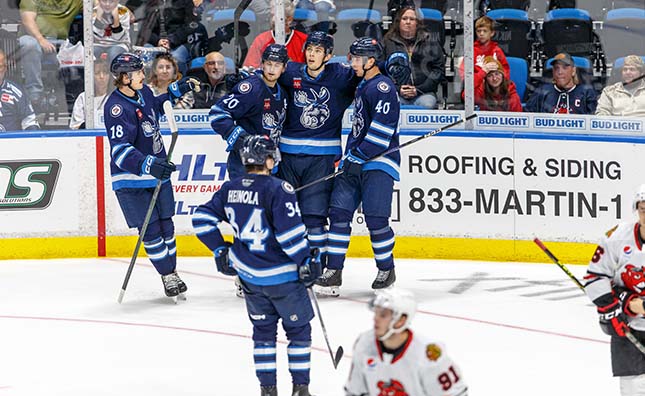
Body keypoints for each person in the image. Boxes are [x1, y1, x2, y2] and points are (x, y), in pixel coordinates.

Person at [191, 135, 321, 396]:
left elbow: (201, 219)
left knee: (263, 333)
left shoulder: (230, 188)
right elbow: (289, 236)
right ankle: (300, 389)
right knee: (298, 331)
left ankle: (268, 390)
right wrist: (308, 261)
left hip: (249, 277)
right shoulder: (278, 188)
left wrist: (220, 249)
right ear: (269, 160)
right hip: (282, 278)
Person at [104, 52, 197, 298]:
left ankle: (173, 272)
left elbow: (155, 107)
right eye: (138, 73)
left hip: (156, 172)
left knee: (167, 225)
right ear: (124, 78)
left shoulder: (143, 92)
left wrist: (177, 90)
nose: (143, 75)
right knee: (152, 230)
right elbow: (120, 152)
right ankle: (167, 276)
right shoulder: (115, 108)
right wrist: (149, 165)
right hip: (131, 181)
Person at [315, 37, 400, 296]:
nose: (351, 62)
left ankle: (386, 268)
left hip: (379, 163)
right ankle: (333, 271)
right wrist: (351, 158)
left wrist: (357, 157)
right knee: (339, 214)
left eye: (356, 58)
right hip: (354, 161)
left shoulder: (382, 87)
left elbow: (381, 135)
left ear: (371, 61)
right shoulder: (364, 85)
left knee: (376, 220)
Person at [276, 31, 362, 267]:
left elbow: (369, 74)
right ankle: (288, 263)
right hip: (288, 157)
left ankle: (318, 265)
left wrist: (390, 67)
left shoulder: (340, 76)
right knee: (285, 215)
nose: (312, 55)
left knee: (314, 217)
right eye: (309, 50)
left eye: (318, 51)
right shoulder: (291, 72)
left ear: (329, 55)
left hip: (321, 160)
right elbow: (266, 75)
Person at [345, 288, 468, 396]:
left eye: (383, 315)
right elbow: (354, 391)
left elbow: (455, 393)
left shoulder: (428, 354)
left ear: (401, 320)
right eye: (376, 312)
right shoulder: (364, 344)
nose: (375, 319)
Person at [584, 184, 645, 396]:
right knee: (633, 390)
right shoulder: (617, 237)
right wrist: (615, 307)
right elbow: (594, 277)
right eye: (643, 208)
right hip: (629, 329)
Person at [210, 44, 288, 180]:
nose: (271, 69)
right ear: (262, 64)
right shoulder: (252, 88)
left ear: (283, 68)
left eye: (277, 65)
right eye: (268, 64)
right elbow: (218, 114)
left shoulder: (283, 92)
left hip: (268, 164)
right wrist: (242, 139)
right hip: (244, 164)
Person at [17, 0, 83, 107]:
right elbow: (27, 20)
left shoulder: (74, 2)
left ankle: (69, 94)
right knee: (28, 44)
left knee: (75, 51)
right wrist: (41, 39)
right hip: (34, 39)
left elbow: (96, 5)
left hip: (58, 43)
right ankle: (35, 93)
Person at [383, 5, 445, 109]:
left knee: (427, 104)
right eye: (404, 19)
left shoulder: (430, 41)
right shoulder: (387, 42)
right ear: (398, 22)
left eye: (412, 19)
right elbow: (381, 70)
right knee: (392, 105)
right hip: (396, 92)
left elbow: (438, 70)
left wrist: (419, 89)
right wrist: (397, 89)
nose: (408, 22)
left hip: (424, 93)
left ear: (417, 23)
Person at [525, 52, 597, 114]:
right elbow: (527, 117)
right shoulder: (542, 91)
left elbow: (594, 121)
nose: (560, 72)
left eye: (565, 68)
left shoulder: (587, 92)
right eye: (556, 68)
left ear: (573, 71)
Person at [243, 0, 307, 69]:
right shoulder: (261, 40)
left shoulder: (303, 40)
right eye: (271, 16)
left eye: (275, 16)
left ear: (289, 20)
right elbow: (250, 69)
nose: (272, 20)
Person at [458, 15, 510, 88]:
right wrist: (482, 72)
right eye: (479, 31)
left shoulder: (497, 50)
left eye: (485, 31)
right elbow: (465, 76)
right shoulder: (471, 51)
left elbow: (505, 73)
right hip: (476, 88)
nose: (481, 34)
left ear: (492, 33)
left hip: (494, 89)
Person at [0, 48, 39, 131]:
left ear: (5, 68)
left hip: (12, 143)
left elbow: (29, 122)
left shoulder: (16, 92)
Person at [69, 59, 111, 129]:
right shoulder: (83, 97)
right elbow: (75, 127)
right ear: (91, 76)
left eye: (105, 72)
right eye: (97, 73)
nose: (101, 76)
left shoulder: (116, 97)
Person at [92, 0, 133, 65]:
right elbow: (96, 35)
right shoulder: (94, 12)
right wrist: (98, 18)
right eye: (104, 1)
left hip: (119, 44)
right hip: (98, 44)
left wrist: (116, 18)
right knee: (91, 53)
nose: (107, 4)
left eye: (112, 1)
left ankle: (114, 75)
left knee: (114, 54)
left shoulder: (123, 11)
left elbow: (118, 37)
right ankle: (96, 74)